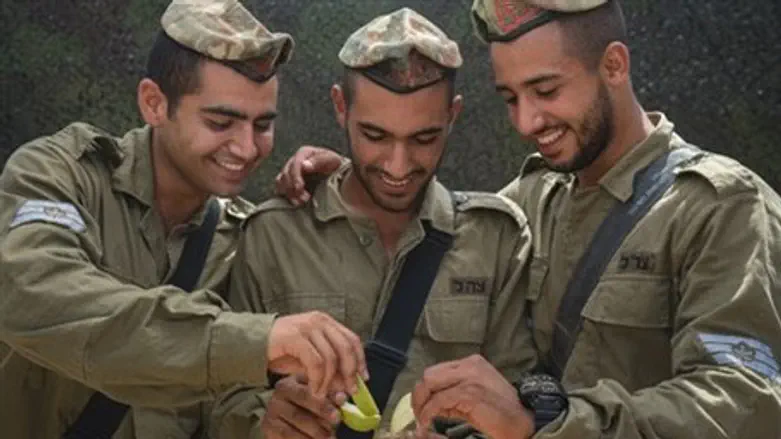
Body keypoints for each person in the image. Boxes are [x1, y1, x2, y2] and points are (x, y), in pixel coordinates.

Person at [277, 1, 781, 438]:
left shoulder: (720, 206)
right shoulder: (534, 196)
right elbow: (444, 221)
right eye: (511, 98)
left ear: (613, 65)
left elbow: (746, 403)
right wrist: (354, 178)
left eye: (546, 90)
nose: (526, 122)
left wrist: (546, 422)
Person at [0, 1, 365, 437]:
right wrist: (256, 342)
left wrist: (266, 418)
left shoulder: (240, 241)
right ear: (154, 103)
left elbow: (221, 407)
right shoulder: (60, 176)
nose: (247, 148)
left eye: (263, 125)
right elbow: (33, 295)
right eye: (220, 122)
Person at [209, 7, 538, 439]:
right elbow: (218, 399)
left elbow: (517, 398)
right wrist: (262, 420)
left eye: (424, 138)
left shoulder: (496, 238)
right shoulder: (273, 234)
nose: (398, 166)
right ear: (340, 108)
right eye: (375, 136)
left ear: (452, 115)